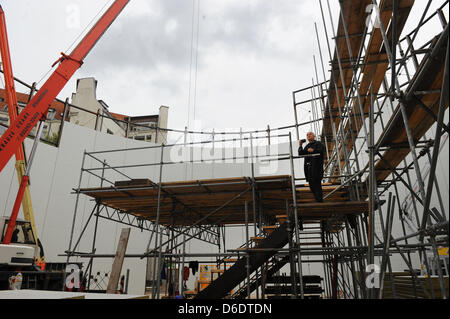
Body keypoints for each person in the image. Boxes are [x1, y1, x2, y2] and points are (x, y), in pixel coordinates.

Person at [298, 132, 324, 202]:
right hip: (309, 169)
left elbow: (321, 151)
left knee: (317, 185)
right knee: (311, 186)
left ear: (314, 136)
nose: (308, 135)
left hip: (316, 168)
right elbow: (301, 154)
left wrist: (314, 151)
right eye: (307, 135)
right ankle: (318, 200)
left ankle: (320, 201)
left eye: (310, 134)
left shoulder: (318, 143)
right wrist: (300, 145)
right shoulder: (307, 146)